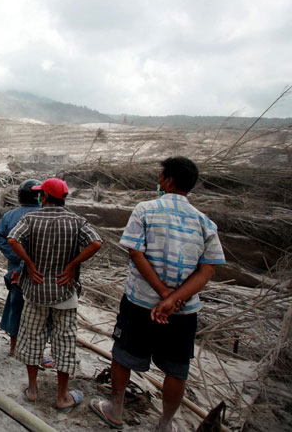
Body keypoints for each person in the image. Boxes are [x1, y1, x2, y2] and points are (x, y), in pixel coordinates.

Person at [89, 157, 226, 432]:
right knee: (176, 368)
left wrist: (163, 293)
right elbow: (207, 269)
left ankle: (115, 410)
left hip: (140, 302)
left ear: (169, 180)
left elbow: (135, 251)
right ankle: (165, 425)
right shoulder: (204, 222)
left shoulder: (145, 210)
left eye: (161, 176)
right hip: (182, 311)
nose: (159, 181)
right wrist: (173, 299)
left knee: (123, 354)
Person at [7, 177, 102, 411]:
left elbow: (12, 238)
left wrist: (28, 262)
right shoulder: (76, 221)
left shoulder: (31, 217)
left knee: (32, 339)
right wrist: (72, 265)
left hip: (35, 291)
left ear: (44, 196)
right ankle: (62, 396)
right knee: (64, 343)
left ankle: (32, 389)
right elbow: (96, 243)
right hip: (65, 292)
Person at [0, 179, 43, 356]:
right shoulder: (45, 215)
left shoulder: (10, 216)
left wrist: (14, 255)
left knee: (16, 305)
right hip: (40, 272)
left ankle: (14, 346)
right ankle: (35, 349)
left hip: (15, 271)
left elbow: (0, 235)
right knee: (39, 310)